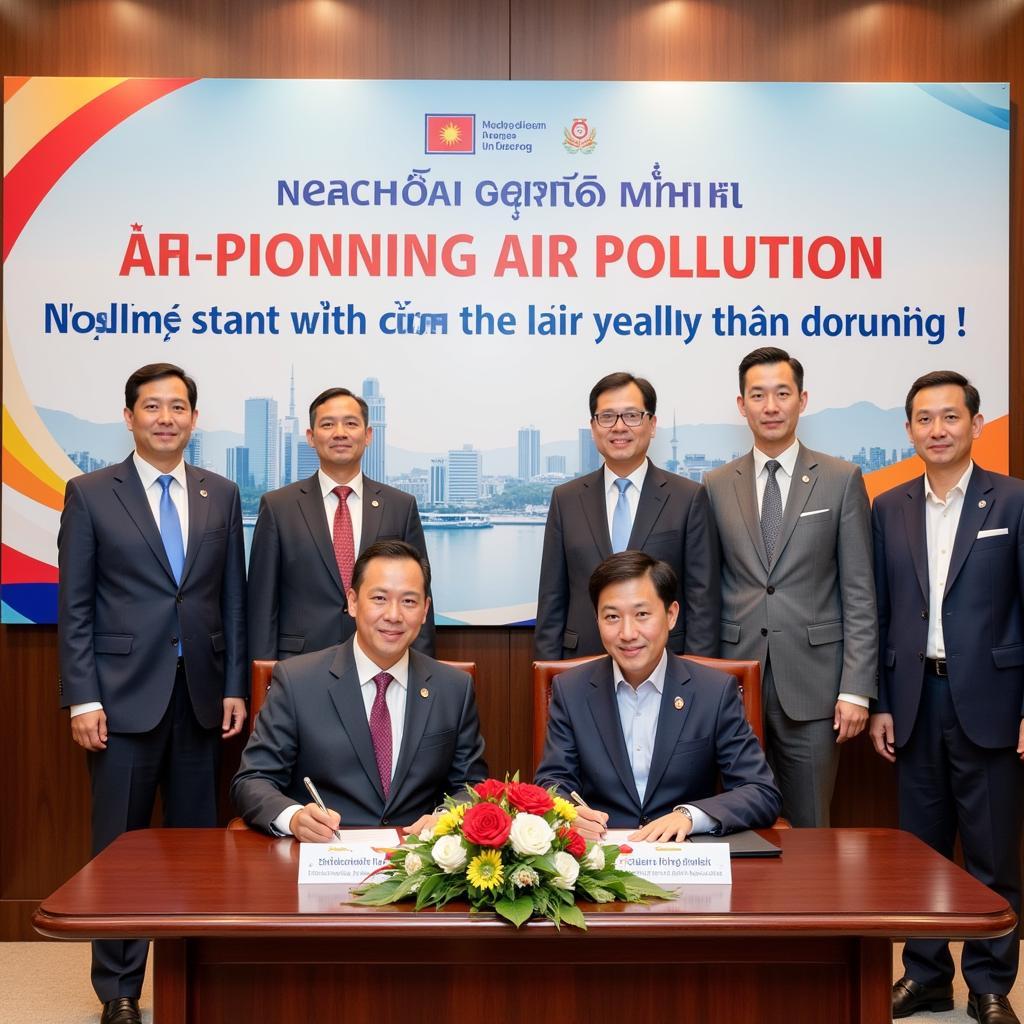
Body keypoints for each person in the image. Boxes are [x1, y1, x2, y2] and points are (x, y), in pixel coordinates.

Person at [58, 362, 247, 1024]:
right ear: (130, 416)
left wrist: (232, 686)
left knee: (200, 850)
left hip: (200, 700)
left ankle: (195, 980)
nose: (165, 417)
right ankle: (119, 991)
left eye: (178, 406)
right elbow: (75, 605)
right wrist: (82, 698)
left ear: (196, 418)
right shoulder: (89, 492)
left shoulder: (220, 494)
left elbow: (231, 599)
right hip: (118, 702)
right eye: (151, 406)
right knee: (119, 852)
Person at [870, 370, 1024, 1024]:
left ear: (975, 424)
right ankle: (926, 974)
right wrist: (879, 700)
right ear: (908, 430)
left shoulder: (1012, 502)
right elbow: (876, 612)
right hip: (913, 701)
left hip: (991, 700)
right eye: (924, 419)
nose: (937, 429)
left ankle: (990, 984)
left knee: (992, 853)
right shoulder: (890, 507)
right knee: (920, 853)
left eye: (949, 417)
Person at [703, 347, 877, 827]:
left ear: (802, 400)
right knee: (736, 824)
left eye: (782, 393)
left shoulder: (842, 480)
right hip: (735, 687)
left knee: (812, 825)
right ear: (742, 405)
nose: (771, 406)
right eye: (758, 395)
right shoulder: (716, 484)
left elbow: (859, 590)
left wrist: (857, 690)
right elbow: (708, 589)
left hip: (818, 689)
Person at [232, 540, 487, 840]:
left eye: (409, 601)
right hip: (325, 855)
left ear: (425, 610)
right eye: (379, 598)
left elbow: (473, 787)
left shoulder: (452, 688)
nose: (393, 615)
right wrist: (295, 818)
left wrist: (445, 819)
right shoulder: (298, 681)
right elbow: (253, 780)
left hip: (415, 865)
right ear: (352, 602)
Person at [535, 551, 781, 841]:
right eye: (612, 617)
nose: (627, 633)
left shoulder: (713, 691)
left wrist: (690, 816)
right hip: (603, 859)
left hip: (685, 855)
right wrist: (569, 813)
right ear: (597, 620)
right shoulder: (571, 690)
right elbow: (552, 782)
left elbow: (760, 791)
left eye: (642, 614)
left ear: (671, 615)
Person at [534, 371, 719, 661]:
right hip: (581, 664)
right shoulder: (566, 499)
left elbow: (702, 602)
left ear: (652, 424)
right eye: (607, 417)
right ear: (593, 427)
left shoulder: (688, 497)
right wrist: (548, 674)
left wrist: (699, 676)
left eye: (631, 416)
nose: (619, 427)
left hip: (668, 664)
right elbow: (551, 601)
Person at [247, 386, 435, 661]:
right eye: (327, 424)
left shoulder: (400, 506)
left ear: (368, 434)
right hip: (299, 667)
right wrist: (263, 678)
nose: (340, 433)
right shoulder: (278, 507)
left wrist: (424, 675)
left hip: (383, 662)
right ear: (311, 437)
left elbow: (418, 594)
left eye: (350, 424)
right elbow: (261, 607)